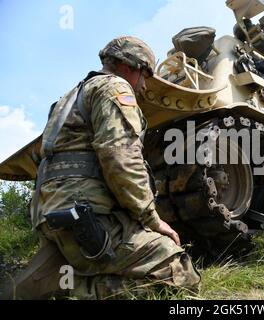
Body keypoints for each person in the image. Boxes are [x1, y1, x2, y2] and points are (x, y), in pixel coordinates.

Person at [5, 36, 200, 300]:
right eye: (146, 75)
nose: (144, 86)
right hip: (89, 217)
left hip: (52, 214)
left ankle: (59, 277)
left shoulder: (69, 97)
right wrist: (152, 220)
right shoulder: (114, 88)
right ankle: (68, 289)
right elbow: (119, 156)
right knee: (180, 273)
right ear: (130, 66)